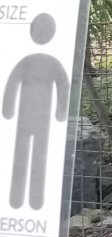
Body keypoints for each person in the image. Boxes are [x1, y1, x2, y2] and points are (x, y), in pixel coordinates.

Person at [5, 13, 68, 211]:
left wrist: (61, 111)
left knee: (40, 156)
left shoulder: (53, 63)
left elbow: (63, 85)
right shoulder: (26, 62)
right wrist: (8, 108)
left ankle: (36, 201)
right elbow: (12, 84)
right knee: (21, 155)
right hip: (25, 117)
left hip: (43, 117)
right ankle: (15, 200)